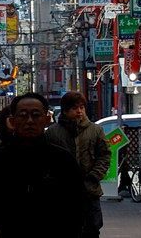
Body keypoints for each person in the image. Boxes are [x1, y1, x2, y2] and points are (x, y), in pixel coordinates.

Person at [0, 92, 87, 238]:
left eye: (36, 115)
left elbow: (78, 204)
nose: (30, 121)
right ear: (12, 121)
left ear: (47, 119)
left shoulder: (62, 159)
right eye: (23, 115)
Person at [46, 92, 111, 238]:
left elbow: (105, 155)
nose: (79, 111)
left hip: (90, 190)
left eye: (82, 107)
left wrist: (94, 175)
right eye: (75, 108)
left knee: (92, 229)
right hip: (62, 192)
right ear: (65, 110)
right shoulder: (53, 133)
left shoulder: (95, 130)